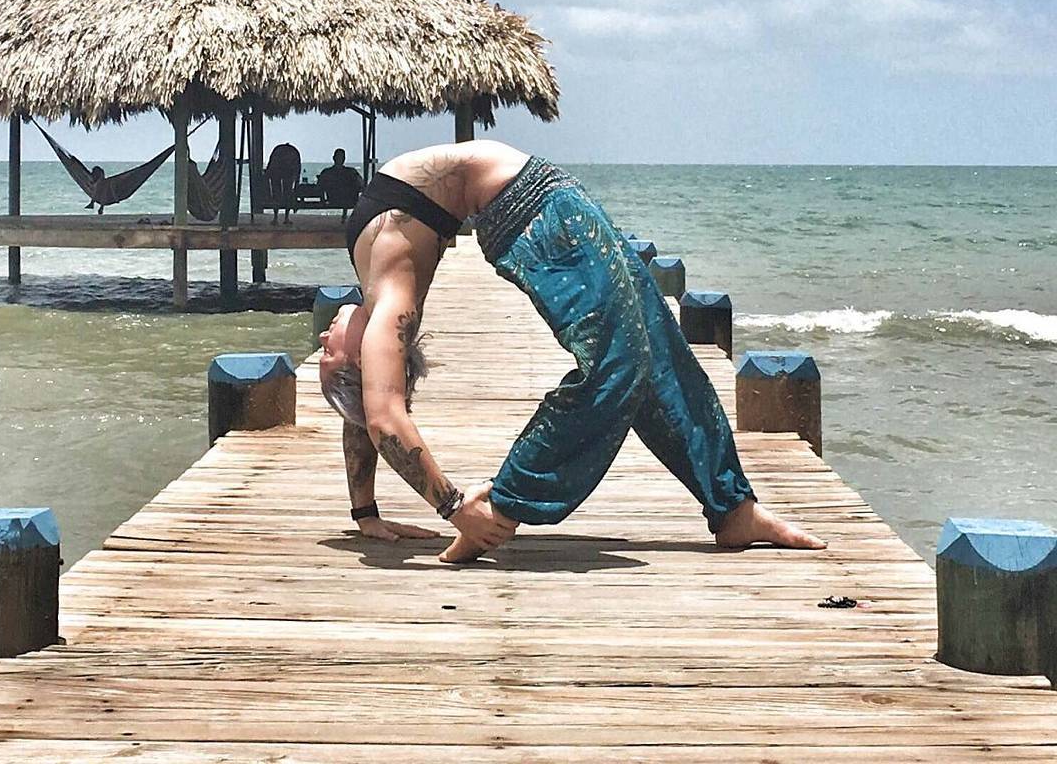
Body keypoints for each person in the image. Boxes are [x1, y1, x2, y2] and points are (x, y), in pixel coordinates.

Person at [319, 141, 825, 563]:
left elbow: (375, 412)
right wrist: (441, 509)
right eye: (330, 360)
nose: (322, 343)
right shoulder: (389, 307)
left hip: (542, 200)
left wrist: (376, 512)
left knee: (652, 349)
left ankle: (732, 507)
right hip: (535, 208)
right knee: (619, 360)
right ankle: (504, 506)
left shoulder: (379, 300)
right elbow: (378, 411)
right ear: (366, 357)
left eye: (323, 358)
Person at [316, 148, 364, 215]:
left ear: (333, 158)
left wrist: (323, 201)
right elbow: (362, 186)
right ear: (344, 159)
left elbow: (319, 188)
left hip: (333, 200)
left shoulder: (326, 173)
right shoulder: (351, 172)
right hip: (350, 201)